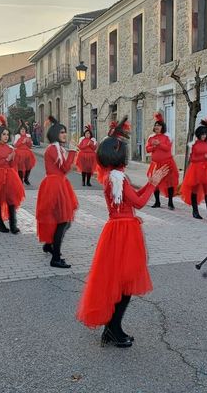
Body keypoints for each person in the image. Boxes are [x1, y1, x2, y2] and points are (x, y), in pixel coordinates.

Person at [77, 117, 169, 348]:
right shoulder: (119, 177)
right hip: (124, 231)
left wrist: (148, 183)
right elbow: (139, 202)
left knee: (119, 282)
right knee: (125, 284)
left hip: (117, 229)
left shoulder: (111, 176)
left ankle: (112, 328)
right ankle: (113, 329)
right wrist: (153, 183)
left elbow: (129, 199)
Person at [36, 116, 77, 269]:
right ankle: (55, 257)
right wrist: (72, 151)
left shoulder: (57, 148)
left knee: (61, 220)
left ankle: (49, 245)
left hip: (58, 184)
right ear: (54, 134)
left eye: (65, 132)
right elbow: (66, 168)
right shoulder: (54, 149)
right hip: (55, 185)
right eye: (61, 132)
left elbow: (66, 168)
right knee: (62, 221)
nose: (65, 135)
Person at [181, 120, 207, 220]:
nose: (204, 136)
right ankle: (195, 211)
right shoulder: (194, 145)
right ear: (198, 134)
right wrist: (204, 156)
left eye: (205, 134)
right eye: (202, 134)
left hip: (205, 169)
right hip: (196, 169)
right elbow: (192, 158)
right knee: (195, 190)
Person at [146, 112, 179, 210]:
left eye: (159, 125)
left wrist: (159, 144)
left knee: (169, 182)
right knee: (155, 182)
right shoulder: (151, 137)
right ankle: (157, 202)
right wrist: (154, 146)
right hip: (156, 164)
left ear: (162, 127)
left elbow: (167, 148)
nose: (157, 127)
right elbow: (147, 149)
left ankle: (170, 202)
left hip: (167, 163)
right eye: (155, 125)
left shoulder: (166, 137)